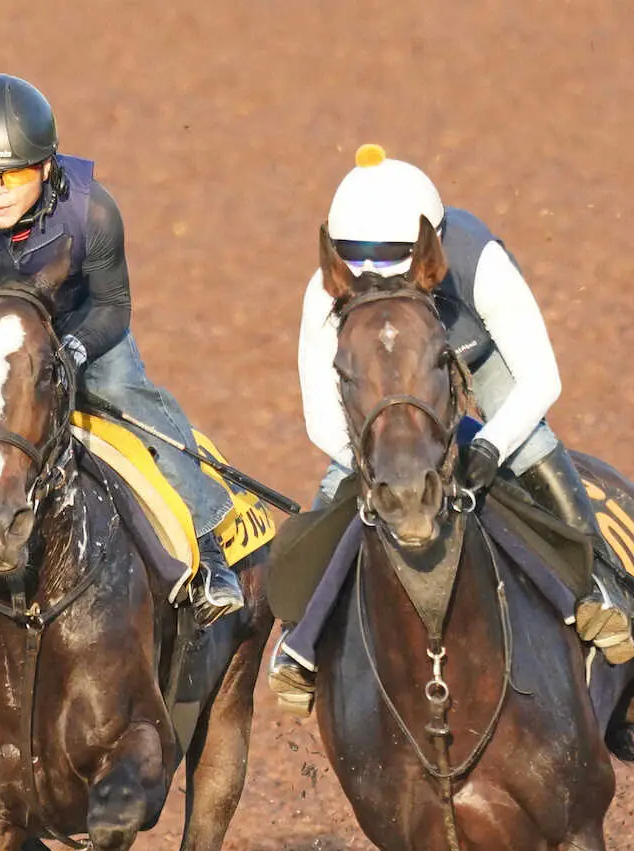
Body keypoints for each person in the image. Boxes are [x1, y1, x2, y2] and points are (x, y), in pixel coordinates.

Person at [0, 74, 243, 658]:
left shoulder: (93, 213)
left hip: (77, 332)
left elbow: (114, 308)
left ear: (45, 169)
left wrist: (70, 353)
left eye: (14, 174)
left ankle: (209, 556)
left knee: (137, 399)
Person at [269, 144, 633, 707]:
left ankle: (599, 585)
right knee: (341, 480)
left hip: (476, 359)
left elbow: (540, 380)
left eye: (388, 255)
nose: (370, 271)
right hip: (387, 392)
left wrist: (486, 445)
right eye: (356, 258)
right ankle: (302, 632)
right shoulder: (325, 290)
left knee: (531, 441)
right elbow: (323, 420)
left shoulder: (478, 261)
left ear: (430, 251)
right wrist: (383, 461)